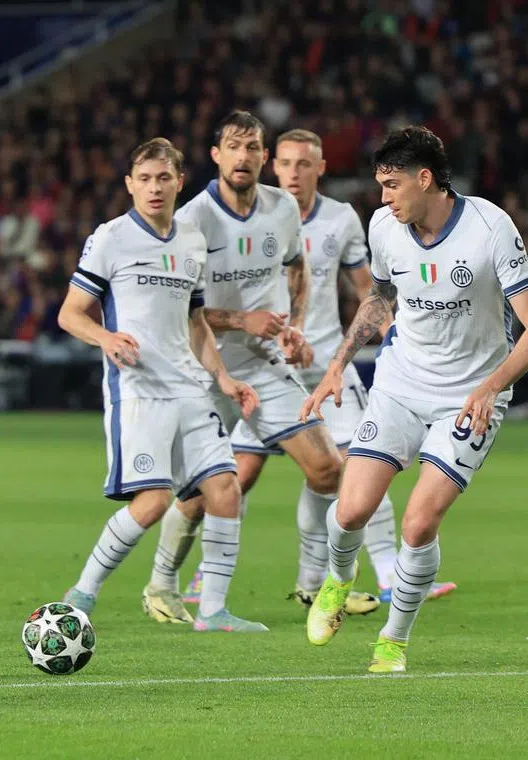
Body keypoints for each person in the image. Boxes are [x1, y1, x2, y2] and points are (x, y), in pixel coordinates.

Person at [302, 126, 528, 673]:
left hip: (469, 397)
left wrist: (492, 386)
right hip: (401, 385)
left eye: (391, 184)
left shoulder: (489, 227)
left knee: (418, 525)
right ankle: (338, 578)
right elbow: (381, 298)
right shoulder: (386, 226)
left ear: (425, 179)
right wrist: (336, 365)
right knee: (352, 509)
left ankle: (392, 641)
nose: (383, 198)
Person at [226, 129, 454, 607]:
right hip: (266, 368)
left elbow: (367, 285)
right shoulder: (250, 217)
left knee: (361, 465)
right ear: (273, 166)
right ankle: (204, 582)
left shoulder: (343, 219)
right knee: (237, 475)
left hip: (328, 364)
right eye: (285, 163)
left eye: (303, 164)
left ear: (320, 167)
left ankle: (379, 577)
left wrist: (397, 333)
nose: (292, 172)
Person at [142, 112, 346, 616]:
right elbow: (173, 305)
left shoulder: (282, 208)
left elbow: (297, 268)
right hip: (204, 369)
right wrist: (241, 319)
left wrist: (293, 328)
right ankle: (161, 586)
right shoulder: (190, 220)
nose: (243, 156)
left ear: (262, 157)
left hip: (263, 364)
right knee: (200, 490)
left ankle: (314, 581)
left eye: (252, 147)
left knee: (327, 468)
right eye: (233, 147)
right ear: (216, 156)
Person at [59, 138, 266, 632]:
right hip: (140, 389)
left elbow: (196, 322)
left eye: (163, 178)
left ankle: (212, 611)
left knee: (224, 487)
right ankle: (82, 594)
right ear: (130, 185)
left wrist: (223, 377)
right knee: (151, 503)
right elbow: (69, 314)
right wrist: (105, 336)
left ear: (178, 182)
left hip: (191, 388)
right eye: (145, 179)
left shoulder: (192, 240)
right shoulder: (110, 238)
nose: (154, 187)